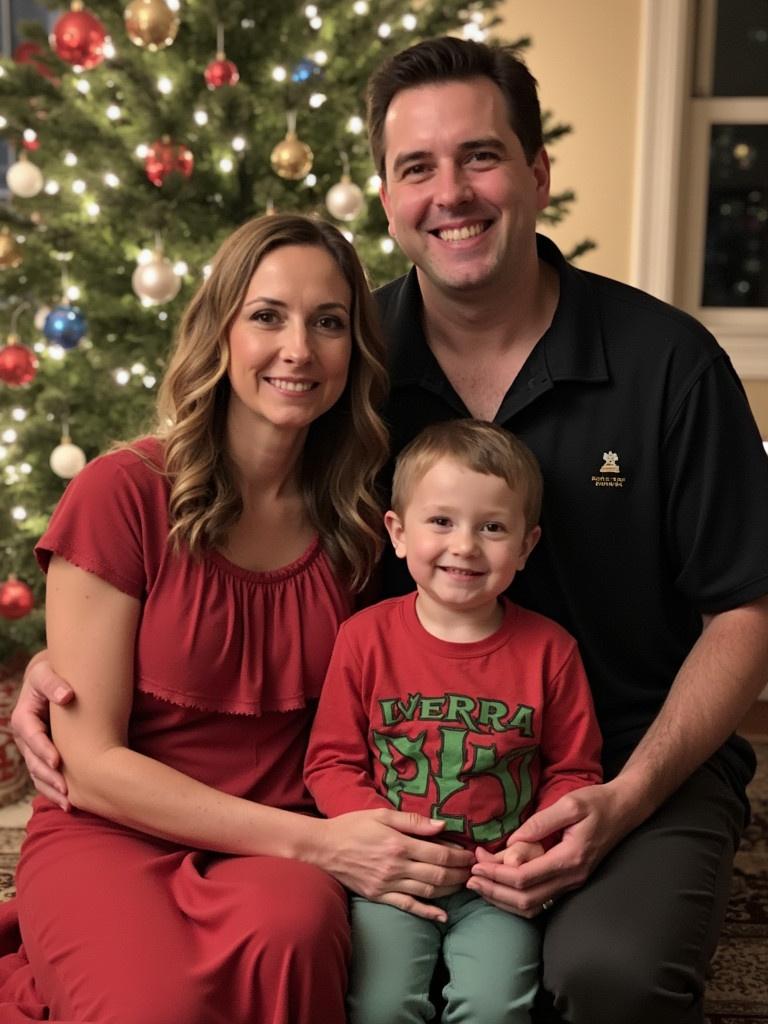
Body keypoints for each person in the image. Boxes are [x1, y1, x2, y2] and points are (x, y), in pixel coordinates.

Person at [10, 34, 768, 1024]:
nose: (450, 191)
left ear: (537, 173)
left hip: (622, 760)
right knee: (350, 965)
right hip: (408, 771)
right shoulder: (349, 366)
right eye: (417, 167)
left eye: (481, 156)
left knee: (605, 979)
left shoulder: (669, 363)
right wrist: (62, 662)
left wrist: (622, 798)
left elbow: (744, 612)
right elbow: (194, 507)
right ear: (387, 198)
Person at [0, 213, 475, 1024]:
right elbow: (90, 762)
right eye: (267, 315)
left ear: (353, 353)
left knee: (295, 935)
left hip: (281, 844)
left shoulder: (364, 524)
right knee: (157, 1007)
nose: (299, 349)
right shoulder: (123, 493)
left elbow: (422, 668)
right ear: (219, 332)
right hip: (115, 830)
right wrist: (327, 847)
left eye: (328, 323)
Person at [304, 419, 603, 1024]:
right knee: (381, 1004)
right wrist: (380, 837)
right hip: (394, 877)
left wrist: (532, 847)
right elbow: (331, 761)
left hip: (497, 886)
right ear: (398, 532)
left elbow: (574, 770)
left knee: (495, 1007)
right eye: (441, 521)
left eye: (492, 527)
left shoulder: (550, 651)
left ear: (525, 546)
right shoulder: (364, 640)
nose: (465, 545)